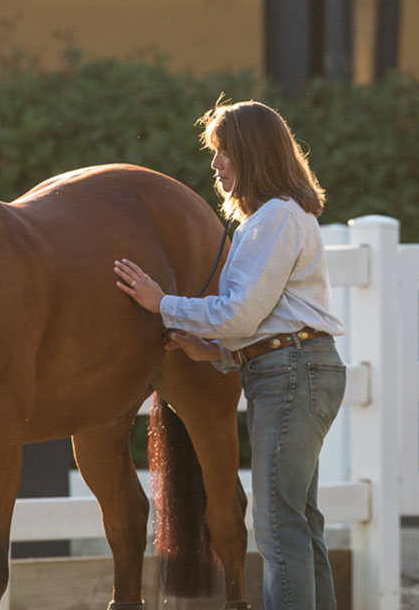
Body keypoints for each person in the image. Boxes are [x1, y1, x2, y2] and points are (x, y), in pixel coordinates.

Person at [112, 100, 348, 610]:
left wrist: (163, 304)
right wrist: (215, 352)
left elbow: (241, 313)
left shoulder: (275, 219)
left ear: (252, 155)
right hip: (294, 368)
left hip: (292, 373)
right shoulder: (279, 217)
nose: (215, 165)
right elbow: (268, 320)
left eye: (224, 154)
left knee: (278, 524)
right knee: (300, 521)